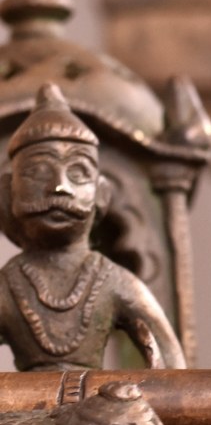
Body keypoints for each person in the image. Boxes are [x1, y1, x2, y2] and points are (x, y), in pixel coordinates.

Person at [0, 83, 185, 371]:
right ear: (8, 192)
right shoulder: (8, 284)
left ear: (102, 193)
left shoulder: (113, 281)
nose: (59, 186)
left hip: (99, 399)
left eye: (78, 172)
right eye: (37, 172)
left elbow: (171, 363)